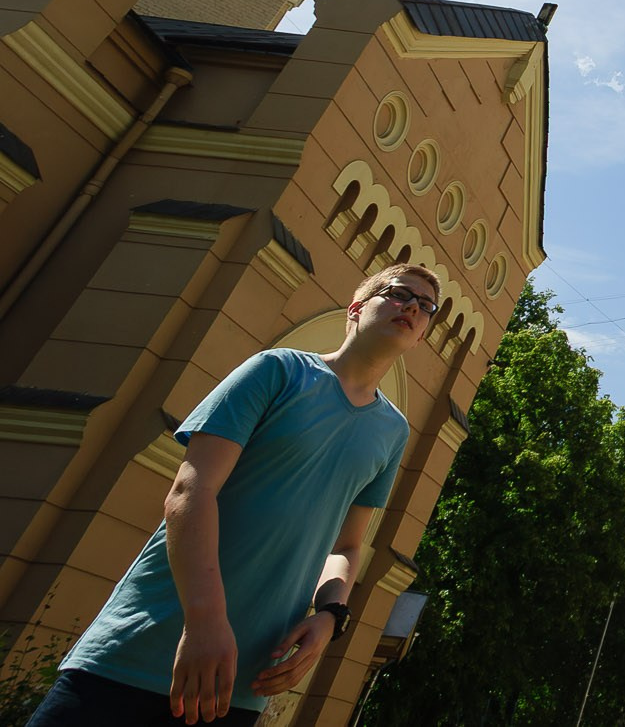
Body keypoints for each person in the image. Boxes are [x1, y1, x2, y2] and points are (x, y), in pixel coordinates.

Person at [30, 263, 437, 726]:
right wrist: (202, 622)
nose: (412, 307)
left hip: (240, 685)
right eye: (399, 293)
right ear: (357, 307)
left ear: (422, 334)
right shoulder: (277, 371)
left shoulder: (392, 431)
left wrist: (330, 615)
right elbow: (190, 489)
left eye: (425, 306)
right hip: (141, 653)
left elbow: (346, 545)